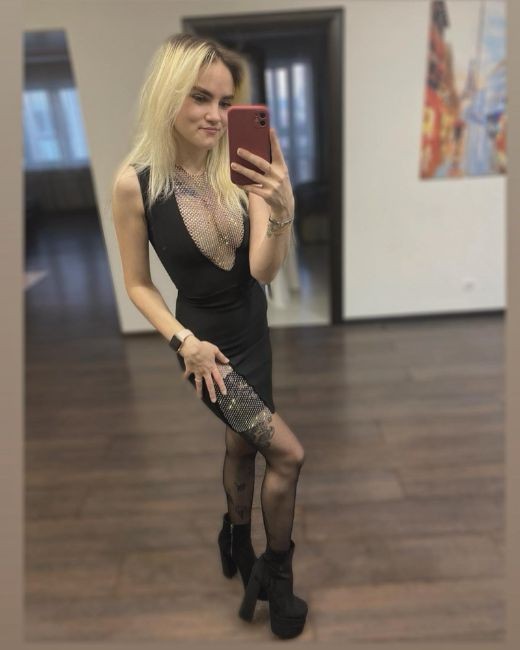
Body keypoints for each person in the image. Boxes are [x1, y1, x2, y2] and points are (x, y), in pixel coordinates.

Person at [111, 33, 307, 640]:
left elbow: (263, 271)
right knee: (288, 454)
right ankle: (277, 573)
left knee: (243, 445)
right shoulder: (135, 183)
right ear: (167, 94)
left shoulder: (239, 163)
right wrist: (183, 343)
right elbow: (137, 283)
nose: (216, 116)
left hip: (253, 328)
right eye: (200, 98)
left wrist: (281, 206)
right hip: (208, 352)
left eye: (225, 102)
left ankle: (235, 536)